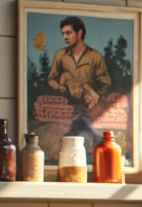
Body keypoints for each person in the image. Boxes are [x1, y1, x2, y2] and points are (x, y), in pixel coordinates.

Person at [42, 15, 112, 158]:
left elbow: (105, 82)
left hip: (90, 108)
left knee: (94, 139)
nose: (65, 37)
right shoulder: (60, 55)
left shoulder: (94, 57)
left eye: (68, 33)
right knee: (65, 141)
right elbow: (51, 79)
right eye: (63, 34)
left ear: (79, 33)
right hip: (68, 108)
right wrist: (59, 88)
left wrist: (94, 97)